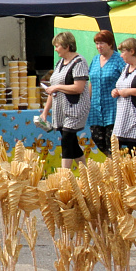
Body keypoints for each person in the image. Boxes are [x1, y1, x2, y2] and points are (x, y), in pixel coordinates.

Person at [39, 32, 90, 169]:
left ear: (67, 46)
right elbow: (52, 90)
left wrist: (57, 87)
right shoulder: (59, 63)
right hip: (60, 109)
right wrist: (45, 112)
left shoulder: (79, 62)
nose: (56, 49)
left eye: (57, 46)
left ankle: (64, 175)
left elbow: (79, 88)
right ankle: (86, 173)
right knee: (72, 142)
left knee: (67, 139)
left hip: (75, 108)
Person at [85, 30, 121, 153]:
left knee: (112, 143)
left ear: (110, 44)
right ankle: (109, 161)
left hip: (113, 107)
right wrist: (87, 101)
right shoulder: (95, 60)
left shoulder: (119, 59)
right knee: (97, 139)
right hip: (96, 108)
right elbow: (91, 82)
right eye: (97, 43)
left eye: (101, 43)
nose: (98, 46)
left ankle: (114, 163)